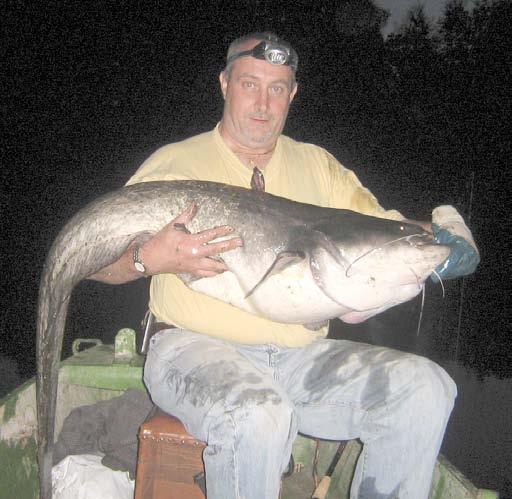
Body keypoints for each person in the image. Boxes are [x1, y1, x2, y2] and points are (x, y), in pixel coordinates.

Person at [91, 32, 479, 499]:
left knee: (426, 389)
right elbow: (96, 263)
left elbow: (382, 230)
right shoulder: (175, 164)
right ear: (224, 84)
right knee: (259, 412)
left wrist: (442, 233)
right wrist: (148, 257)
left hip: (300, 359)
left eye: (277, 88)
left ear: (292, 94)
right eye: (250, 84)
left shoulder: (319, 166)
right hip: (191, 351)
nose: (262, 103)